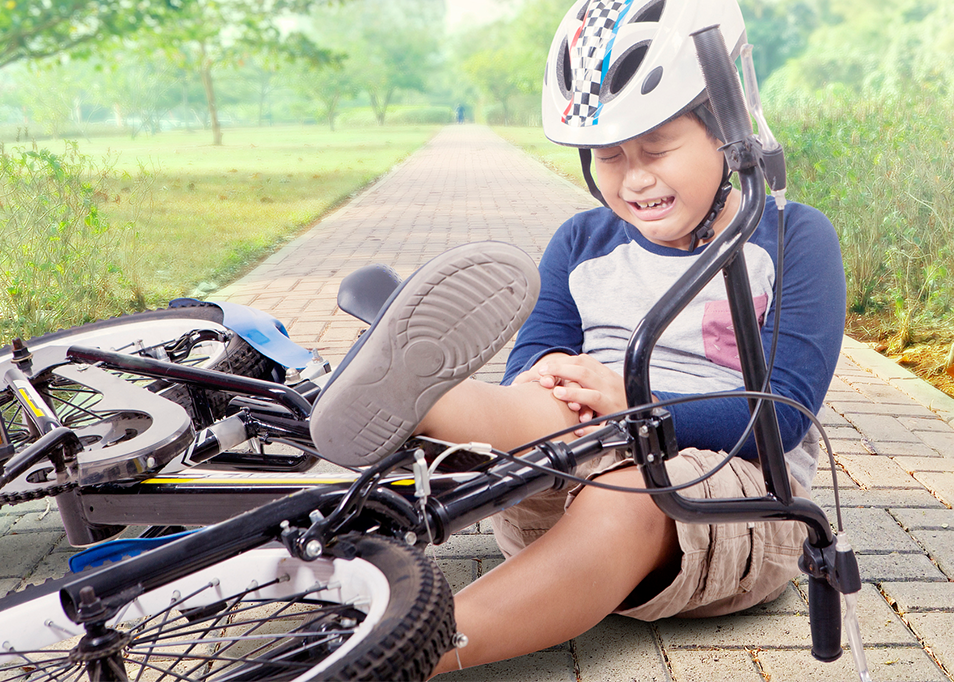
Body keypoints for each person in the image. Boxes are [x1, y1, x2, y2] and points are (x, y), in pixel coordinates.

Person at [309, 0, 846, 675]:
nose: (635, 177)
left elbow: (784, 412)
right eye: (609, 156)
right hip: (561, 473)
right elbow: (534, 354)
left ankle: (397, 649)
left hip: (729, 496)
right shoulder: (579, 241)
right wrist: (556, 380)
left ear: (727, 130)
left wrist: (636, 404)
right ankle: (415, 396)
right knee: (540, 398)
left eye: (657, 148)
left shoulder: (794, 238)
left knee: (633, 487)